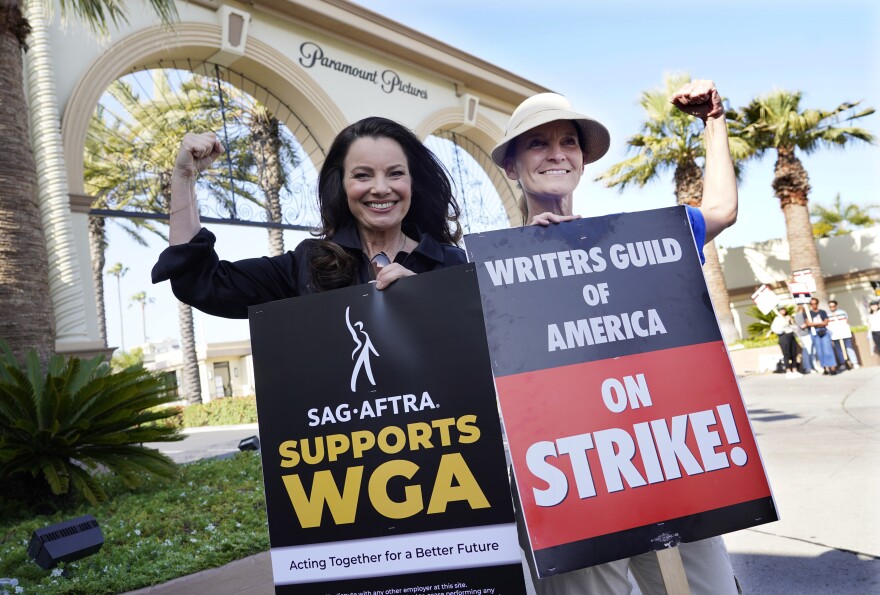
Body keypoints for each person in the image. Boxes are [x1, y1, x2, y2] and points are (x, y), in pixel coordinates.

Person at [491, 81, 740, 594]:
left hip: (663, 461)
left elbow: (720, 210)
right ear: (512, 166)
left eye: (568, 142)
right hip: (565, 479)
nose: (556, 153)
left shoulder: (634, 240)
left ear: (583, 159)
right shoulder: (490, 264)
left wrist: (714, 123)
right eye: (537, 143)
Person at [152, 117, 466, 314]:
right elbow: (201, 284)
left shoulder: (455, 265)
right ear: (341, 185)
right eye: (362, 175)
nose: (381, 188)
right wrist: (183, 177)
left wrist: (430, 300)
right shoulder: (308, 265)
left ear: (413, 183)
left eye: (395, 173)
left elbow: (496, 346)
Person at [802, 298, 837, 375]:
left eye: (815, 303)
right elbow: (808, 324)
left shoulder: (822, 312)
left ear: (817, 304)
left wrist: (814, 323)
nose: (814, 305)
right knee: (819, 351)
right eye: (812, 304)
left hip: (824, 331)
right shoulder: (808, 313)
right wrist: (819, 323)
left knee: (828, 350)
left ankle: (832, 367)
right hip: (814, 333)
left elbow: (825, 323)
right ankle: (825, 368)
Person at [827, 300, 860, 369]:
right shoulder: (828, 314)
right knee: (838, 349)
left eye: (833, 306)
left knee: (849, 347)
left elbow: (846, 321)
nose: (832, 307)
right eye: (830, 306)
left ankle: (854, 362)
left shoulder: (842, 312)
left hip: (844, 333)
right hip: (835, 334)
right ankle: (843, 363)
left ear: (836, 305)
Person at [770, 306, 800, 378]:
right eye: (781, 310)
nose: (783, 311)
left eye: (784, 310)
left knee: (793, 353)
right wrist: (784, 324)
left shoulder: (788, 317)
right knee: (786, 354)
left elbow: (795, 328)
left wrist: (791, 321)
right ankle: (788, 370)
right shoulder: (777, 319)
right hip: (783, 336)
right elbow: (775, 329)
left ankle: (795, 369)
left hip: (791, 336)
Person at [794, 304, 817, 374]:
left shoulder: (806, 314)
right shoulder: (798, 315)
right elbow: (802, 326)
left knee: (812, 351)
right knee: (807, 351)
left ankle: (813, 365)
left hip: (809, 334)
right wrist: (810, 323)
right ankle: (808, 367)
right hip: (804, 335)